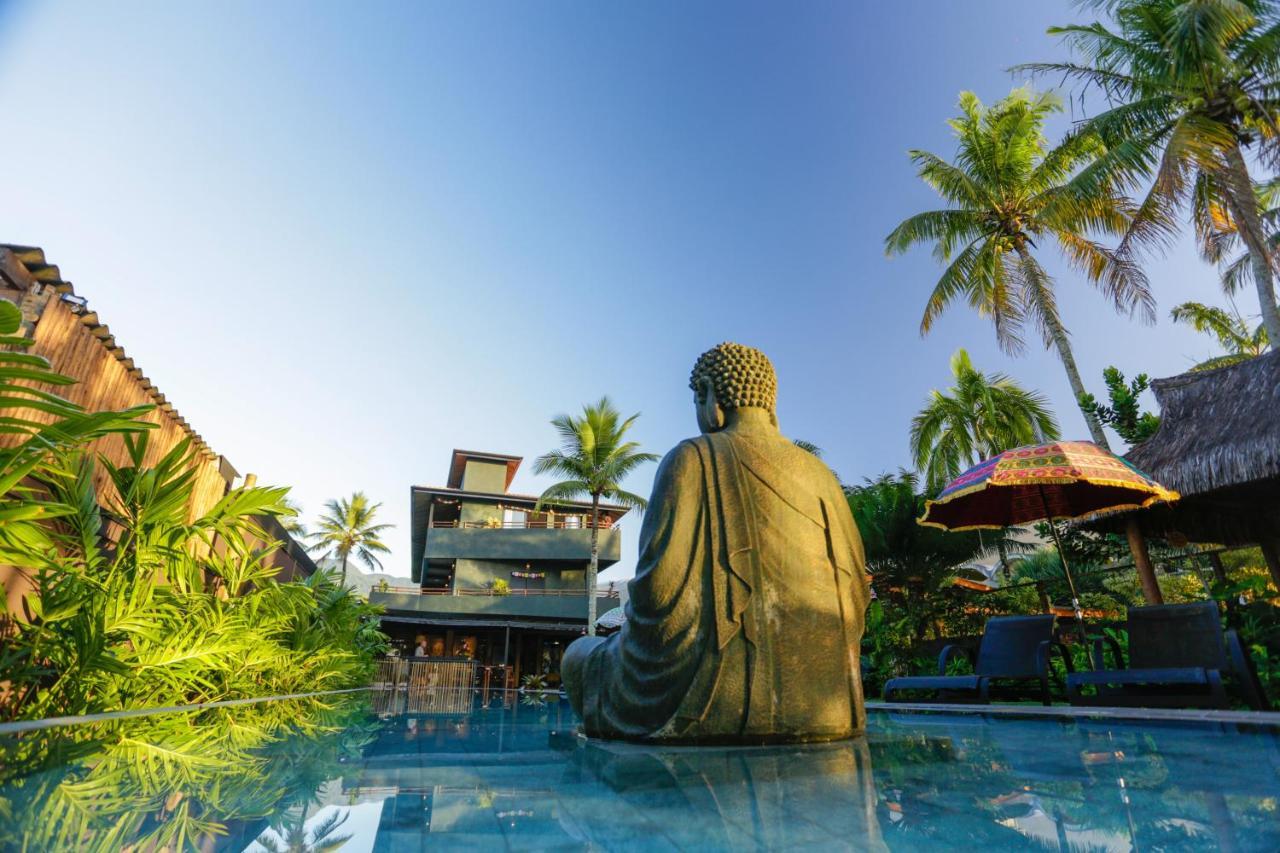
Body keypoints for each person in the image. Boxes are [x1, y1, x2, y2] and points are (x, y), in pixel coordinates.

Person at [561, 342, 870, 743]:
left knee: (578, 656)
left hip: (716, 693)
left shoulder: (693, 457)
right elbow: (856, 595)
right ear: (770, 405)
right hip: (831, 704)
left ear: (710, 397)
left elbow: (658, 593)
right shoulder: (823, 476)